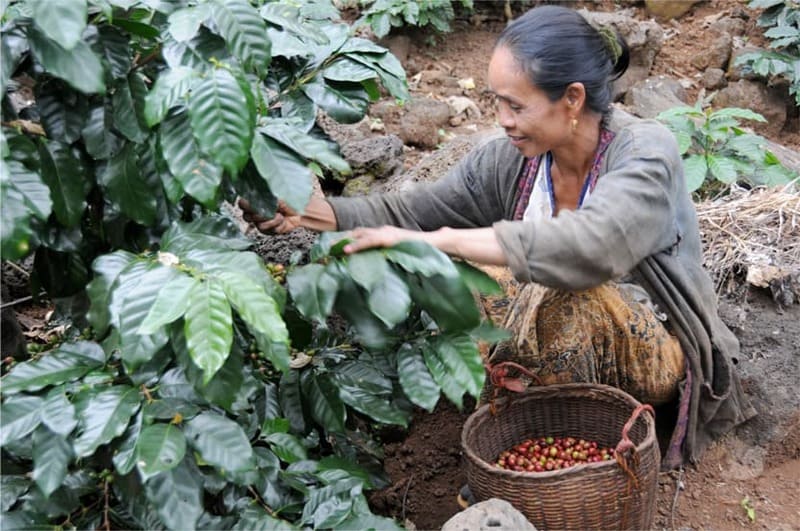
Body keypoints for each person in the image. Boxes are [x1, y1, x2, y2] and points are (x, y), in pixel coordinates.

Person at [240, 5, 755, 474]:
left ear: (572, 98)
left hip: (656, 349)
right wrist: (315, 213)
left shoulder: (645, 153)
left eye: (516, 105)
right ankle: (530, 437)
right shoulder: (513, 157)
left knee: (560, 294)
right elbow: (410, 211)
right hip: (563, 335)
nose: (503, 120)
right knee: (474, 279)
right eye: (496, 103)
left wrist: (449, 241)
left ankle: (579, 461)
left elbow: (592, 247)